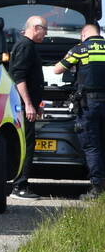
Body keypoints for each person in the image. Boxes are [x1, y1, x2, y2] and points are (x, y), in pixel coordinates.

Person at [52, 22, 105, 201]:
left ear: (83, 34)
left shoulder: (80, 49)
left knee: (92, 145)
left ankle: (97, 188)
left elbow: (57, 69)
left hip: (89, 104)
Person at [8, 15, 47, 200]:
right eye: (44, 30)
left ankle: (20, 184)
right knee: (27, 145)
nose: (46, 34)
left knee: (27, 143)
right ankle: (20, 186)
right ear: (36, 28)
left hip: (27, 105)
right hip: (23, 107)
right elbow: (19, 77)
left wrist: (37, 103)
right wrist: (29, 104)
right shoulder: (26, 46)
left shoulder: (28, 46)